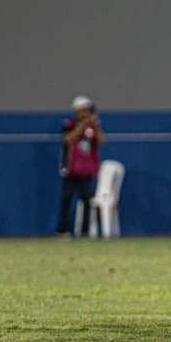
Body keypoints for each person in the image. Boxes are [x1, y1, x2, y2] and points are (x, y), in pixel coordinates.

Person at [57, 95, 106, 236]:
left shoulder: (93, 126)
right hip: (71, 168)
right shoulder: (69, 124)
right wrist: (81, 126)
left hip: (86, 170)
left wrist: (95, 125)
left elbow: (102, 140)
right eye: (83, 110)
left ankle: (84, 231)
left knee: (86, 199)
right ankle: (63, 229)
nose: (86, 113)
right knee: (67, 198)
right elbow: (67, 139)